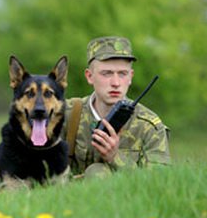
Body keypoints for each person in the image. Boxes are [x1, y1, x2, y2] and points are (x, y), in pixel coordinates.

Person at [64, 36, 171, 179]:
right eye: (106, 73)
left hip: (124, 200)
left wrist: (115, 157)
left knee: (98, 172)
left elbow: (160, 183)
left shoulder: (149, 125)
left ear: (131, 77)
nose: (115, 82)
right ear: (89, 76)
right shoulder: (67, 114)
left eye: (122, 74)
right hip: (69, 197)